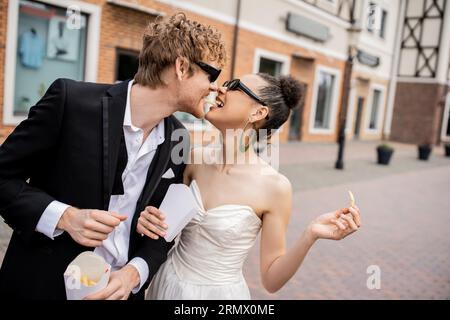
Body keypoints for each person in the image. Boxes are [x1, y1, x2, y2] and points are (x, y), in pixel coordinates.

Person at [0, 12, 226, 300]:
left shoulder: (178, 137)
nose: (216, 87)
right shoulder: (71, 101)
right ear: (181, 67)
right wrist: (65, 217)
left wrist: (135, 272)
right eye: (213, 75)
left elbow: (162, 232)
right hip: (41, 285)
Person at [138, 73, 362, 299]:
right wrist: (148, 219)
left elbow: (271, 281)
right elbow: (162, 228)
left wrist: (310, 234)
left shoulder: (275, 187)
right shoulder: (193, 159)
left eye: (235, 86)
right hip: (165, 286)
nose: (221, 89)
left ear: (258, 112)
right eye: (226, 84)